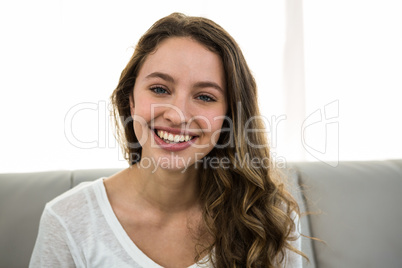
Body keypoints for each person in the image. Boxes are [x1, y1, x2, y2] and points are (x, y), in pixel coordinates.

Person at [30, 12, 306, 268]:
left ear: (229, 117)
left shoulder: (268, 218)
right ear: (131, 102)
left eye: (205, 96)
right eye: (160, 89)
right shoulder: (67, 221)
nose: (178, 115)